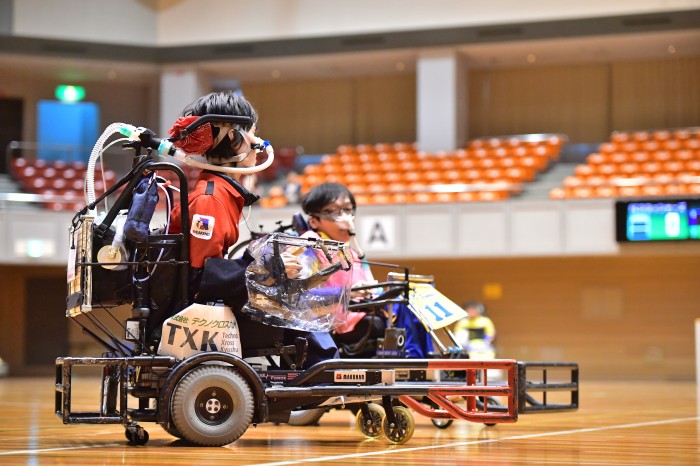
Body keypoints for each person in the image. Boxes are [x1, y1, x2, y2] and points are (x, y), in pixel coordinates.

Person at [154, 90, 302, 351]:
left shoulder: (220, 192)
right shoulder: (211, 199)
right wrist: (268, 268)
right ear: (233, 138)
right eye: (253, 132)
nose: (258, 141)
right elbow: (203, 281)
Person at [299, 182, 385, 358]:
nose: (345, 218)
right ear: (314, 221)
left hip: (354, 315)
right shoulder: (310, 243)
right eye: (334, 212)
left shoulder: (349, 249)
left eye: (348, 210)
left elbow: (372, 287)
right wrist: (345, 292)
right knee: (376, 325)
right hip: (325, 324)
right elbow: (304, 291)